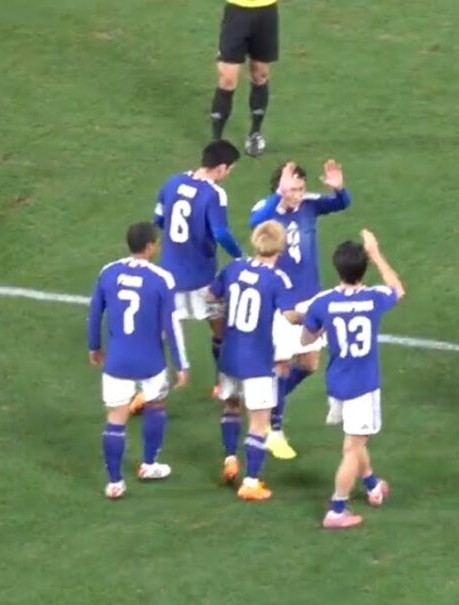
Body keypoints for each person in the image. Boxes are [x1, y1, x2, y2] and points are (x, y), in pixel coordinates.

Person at [300, 229, 405, 529]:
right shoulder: (373, 299)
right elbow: (397, 289)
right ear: (364, 269)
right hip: (364, 386)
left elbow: (307, 338)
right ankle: (336, 509)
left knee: (355, 440)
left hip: (337, 383)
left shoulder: (323, 303)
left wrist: (314, 328)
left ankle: (372, 485)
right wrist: (376, 252)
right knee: (352, 447)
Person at [130, 139, 243, 415]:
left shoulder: (172, 183)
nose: (229, 175)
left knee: (158, 335)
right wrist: (240, 257)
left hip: (168, 278)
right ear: (220, 168)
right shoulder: (214, 194)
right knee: (220, 327)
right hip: (201, 278)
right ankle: (222, 384)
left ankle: (143, 393)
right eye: (230, 169)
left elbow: (157, 221)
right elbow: (220, 233)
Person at [247, 160, 352, 455]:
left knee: (308, 364)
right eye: (293, 189)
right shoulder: (265, 210)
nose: (298, 194)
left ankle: (266, 401)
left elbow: (342, 203)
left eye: (301, 188)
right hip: (281, 301)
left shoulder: (309, 205)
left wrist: (338, 185)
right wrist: (280, 196)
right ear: (279, 187)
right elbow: (256, 224)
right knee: (282, 365)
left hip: (310, 297)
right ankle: (273, 428)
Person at [87, 222, 189, 499]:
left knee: (115, 419)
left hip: (117, 361)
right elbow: (171, 325)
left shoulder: (107, 273)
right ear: (149, 247)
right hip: (150, 361)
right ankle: (149, 464)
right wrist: (182, 364)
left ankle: (115, 482)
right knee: (155, 406)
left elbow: (95, 313)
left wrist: (94, 346)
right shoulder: (161, 279)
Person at [208, 220, 303, 499]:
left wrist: (219, 320)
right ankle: (250, 482)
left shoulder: (234, 267)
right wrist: (311, 316)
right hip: (258, 362)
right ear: (280, 247)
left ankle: (229, 458)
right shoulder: (277, 279)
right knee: (259, 423)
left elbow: (211, 295)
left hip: (228, 355)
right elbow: (289, 316)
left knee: (231, 407)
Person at [210, 0, 281, 156]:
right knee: (227, 79)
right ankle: (216, 141)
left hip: (266, 12)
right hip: (237, 12)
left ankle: (255, 133)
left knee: (260, 74)